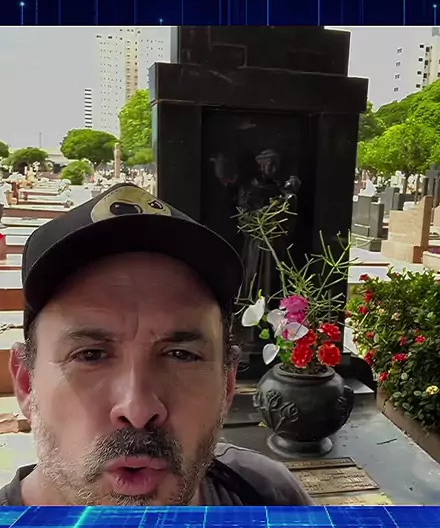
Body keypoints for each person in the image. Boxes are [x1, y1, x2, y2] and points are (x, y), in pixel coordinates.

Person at [0, 182, 313, 507]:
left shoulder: (269, 497)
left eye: (181, 355)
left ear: (228, 385)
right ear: (25, 383)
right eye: (90, 355)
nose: (138, 410)